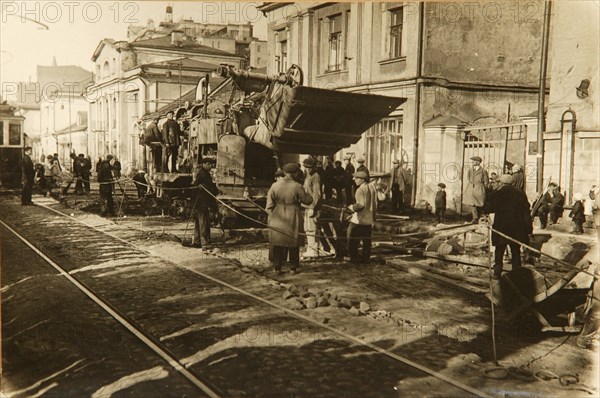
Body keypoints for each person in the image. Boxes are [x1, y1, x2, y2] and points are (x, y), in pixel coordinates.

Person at [266, 163, 313, 275]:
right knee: (293, 240)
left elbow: (269, 206)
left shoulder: (274, 185)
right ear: (294, 173)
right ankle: (293, 267)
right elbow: (307, 200)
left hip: (278, 215)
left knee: (278, 240)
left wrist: (273, 216)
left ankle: (277, 267)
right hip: (293, 214)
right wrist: (309, 193)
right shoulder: (297, 186)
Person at [486, 174, 532, 279]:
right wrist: (528, 229)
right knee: (515, 250)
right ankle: (516, 274)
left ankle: (497, 273)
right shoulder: (521, 194)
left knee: (499, 250)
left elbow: (488, 209)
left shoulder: (496, 194)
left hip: (501, 227)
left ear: (501, 183)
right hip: (516, 228)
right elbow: (526, 211)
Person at [346, 171, 377, 264]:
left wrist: (351, 207)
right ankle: (366, 258)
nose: (354, 180)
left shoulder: (360, 190)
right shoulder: (372, 187)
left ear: (362, 179)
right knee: (366, 239)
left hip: (359, 220)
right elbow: (374, 203)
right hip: (369, 218)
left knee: (351, 236)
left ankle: (353, 256)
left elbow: (360, 205)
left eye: (356, 178)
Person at [189, 157, 218, 249]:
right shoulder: (203, 174)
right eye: (209, 164)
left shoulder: (204, 174)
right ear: (204, 164)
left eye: (211, 164)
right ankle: (205, 242)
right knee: (204, 222)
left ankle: (197, 242)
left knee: (198, 222)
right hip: (201, 202)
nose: (210, 166)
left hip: (199, 202)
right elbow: (198, 186)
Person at [302, 157, 323, 258]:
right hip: (308, 206)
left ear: (314, 167)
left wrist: (312, 207)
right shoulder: (308, 176)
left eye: (310, 167)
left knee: (312, 228)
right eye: (306, 167)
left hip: (313, 207)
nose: (308, 169)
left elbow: (317, 194)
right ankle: (311, 249)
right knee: (308, 228)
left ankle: (313, 250)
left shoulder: (315, 177)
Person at [463, 156, 489, 223]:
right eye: (472, 161)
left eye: (474, 161)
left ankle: (482, 218)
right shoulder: (470, 170)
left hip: (479, 188)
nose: (472, 162)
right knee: (472, 204)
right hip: (471, 188)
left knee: (480, 204)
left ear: (478, 162)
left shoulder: (483, 171)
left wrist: (483, 189)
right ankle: (475, 218)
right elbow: (468, 178)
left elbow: (486, 182)